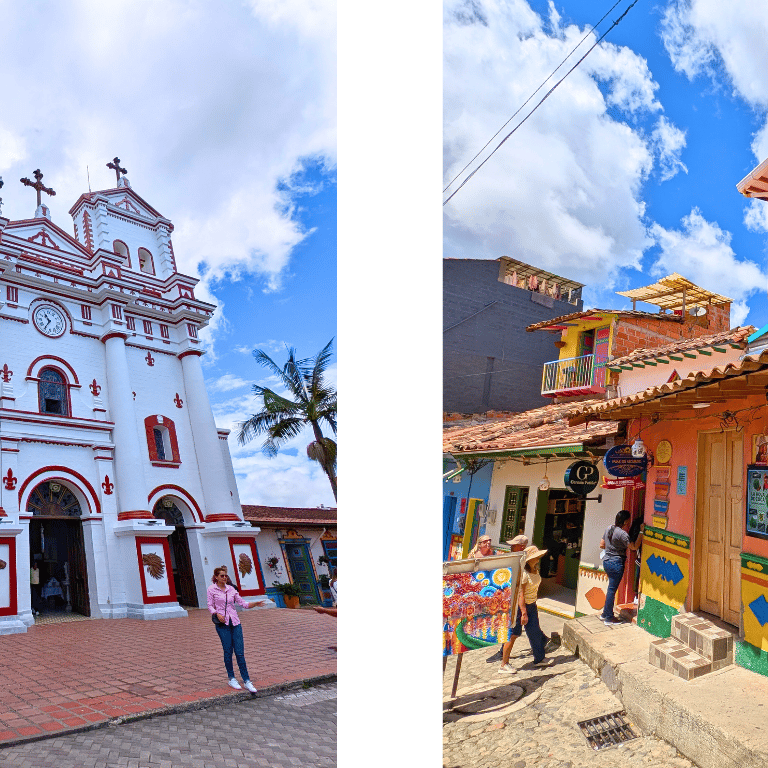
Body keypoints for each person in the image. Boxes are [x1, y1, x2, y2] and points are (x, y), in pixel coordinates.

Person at [207, 565, 268, 692]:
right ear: (216, 577)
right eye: (222, 576)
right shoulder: (211, 589)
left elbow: (243, 604)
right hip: (222, 624)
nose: (224, 578)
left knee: (240, 653)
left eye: (225, 576)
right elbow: (210, 605)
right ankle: (232, 678)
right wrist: (216, 613)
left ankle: (246, 680)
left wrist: (255, 604)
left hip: (235, 623)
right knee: (228, 651)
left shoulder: (231, 590)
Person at [499, 545, 553, 673]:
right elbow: (520, 594)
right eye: (535, 557)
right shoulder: (523, 573)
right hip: (520, 607)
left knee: (534, 631)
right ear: (528, 559)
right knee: (514, 634)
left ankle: (539, 659)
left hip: (532, 605)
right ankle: (503, 664)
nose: (538, 559)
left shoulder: (535, 570)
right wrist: (523, 612)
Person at [486, 534, 528, 664]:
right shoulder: (513, 558)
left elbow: (521, 586)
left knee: (512, 631)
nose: (511, 547)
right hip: (506, 598)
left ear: (521, 546)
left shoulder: (523, 561)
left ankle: (504, 659)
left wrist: (523, 608)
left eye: (514, 545)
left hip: (514, 600)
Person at [600, 510, 643, 626]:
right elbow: (634, 547)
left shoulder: (609, 528)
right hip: (616, 563)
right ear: (625, 521)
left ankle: (605, 613)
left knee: (610, 588)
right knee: (612, 590)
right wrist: (641, 532)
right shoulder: (622, 534)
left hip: (607, 561)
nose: (629, 522)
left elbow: (602, 545)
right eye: (628, 520)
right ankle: (609, 618)